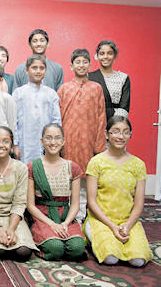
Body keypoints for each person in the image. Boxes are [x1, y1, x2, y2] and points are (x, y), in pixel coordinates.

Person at [84, 116, 153, 267]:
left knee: (138, 261)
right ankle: (92, 239)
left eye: (125, 132)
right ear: (106, 134)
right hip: (100, 220)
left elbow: (139, 203)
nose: (120, 136)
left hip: (128, 221)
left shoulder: (138, 165)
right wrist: (112, 226)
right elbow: (91, 201)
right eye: (115, 132)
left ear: (130, 135)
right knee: (110, 258)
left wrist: (127, 225)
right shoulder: (96, 162)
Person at [57, 49, 107, 222]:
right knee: (67, 180)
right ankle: (67, 216)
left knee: (85, 182)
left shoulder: (96, 89)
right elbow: (58, 117)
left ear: (90, 65)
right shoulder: (64, 89)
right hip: (68, 142)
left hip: (89, 141)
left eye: (84, 62)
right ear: (71, 66)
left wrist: (99, 146)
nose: (81, 65)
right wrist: (58, 144)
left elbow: (102, 118)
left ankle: (81, 218)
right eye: (77, 62)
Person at [0, 126, 38, 262]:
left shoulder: (21, 168)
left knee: (23, 253)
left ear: (11, 144)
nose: (0, 145)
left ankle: (12, 237)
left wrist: (11, 229)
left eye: (5, 141)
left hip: (14, 218)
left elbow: (19, 202)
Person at [27, 123, 86, 260]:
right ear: (42, 141)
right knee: (55, 249)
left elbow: (75, 204)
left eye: (57, 138)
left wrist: (65, 223)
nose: (53, 142)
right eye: (48, 138)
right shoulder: (33, 167)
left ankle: (63, 236)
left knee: (77, 249)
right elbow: (30, 205)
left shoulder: (73, 167)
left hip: (66, 217)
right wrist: (52, 224)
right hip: (42, 217)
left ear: (63, 141)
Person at [13, 54, 61, 164]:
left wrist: (56, 142)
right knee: (26, 173)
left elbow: (56, 121)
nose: (38, 71)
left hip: (48, 144)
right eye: (34, 68)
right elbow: (13, 121)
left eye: (41, 68)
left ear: (45, 70)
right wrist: (15, 144)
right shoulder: (19, 93)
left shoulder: (51, 94)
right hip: (24, 144)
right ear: (26, 70)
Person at [88, 40, 130, 121]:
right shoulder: (89, 77)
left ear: (114, 55)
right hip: (93, 122)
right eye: (102, 53)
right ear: (97, 56)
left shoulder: (123, 78)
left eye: (109, 53)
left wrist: (114, 126)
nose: (105, 57)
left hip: (115, 123)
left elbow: (124, 107)